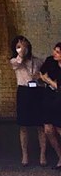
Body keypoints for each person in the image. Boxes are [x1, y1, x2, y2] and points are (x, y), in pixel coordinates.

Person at [9, 35, 45, 167]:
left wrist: (40, 78)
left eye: (24, 45)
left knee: (40, 125)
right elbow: (18, 62)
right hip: (24, 91)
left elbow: (44, 77)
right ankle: (25, 154)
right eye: (18, 46)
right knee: (23, 125)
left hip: (37, 91)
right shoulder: (14, 61)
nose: (22, 49)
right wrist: (21, 52)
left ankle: (43, 154)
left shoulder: (38, 61)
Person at [37, 41, 61, 169]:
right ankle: (59, 156)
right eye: (54, 51)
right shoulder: (50, 61)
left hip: (59, 99)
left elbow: (57, 86)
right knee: (48, 129)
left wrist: (49, 81)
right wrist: (50, 82)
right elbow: (41, 74)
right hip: (48, 97)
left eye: (58, 52)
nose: (54, 54)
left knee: (59, 128)